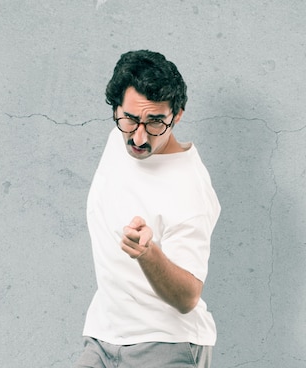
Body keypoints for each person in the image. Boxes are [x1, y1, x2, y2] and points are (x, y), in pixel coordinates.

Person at [74, 50, 220, 368]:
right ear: (116, 109)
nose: (139, 137)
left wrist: (148, 254)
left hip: (166, 344)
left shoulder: (190, 189)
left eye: (155, 122)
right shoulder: (119, 139)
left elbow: (187, 298)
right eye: (130, 119)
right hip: (103, 337)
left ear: (177, 115)